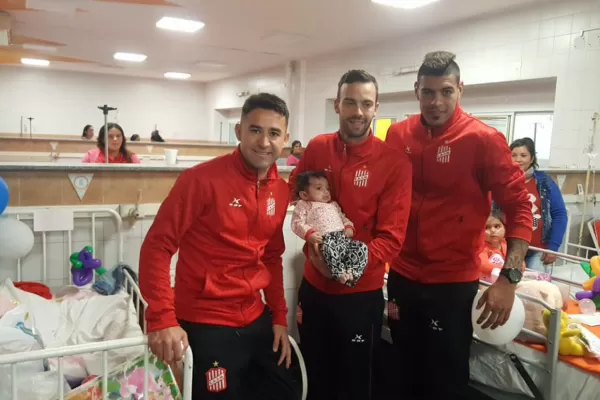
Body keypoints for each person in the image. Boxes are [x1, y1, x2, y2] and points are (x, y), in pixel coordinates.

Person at [384, 51, 532, 400]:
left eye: (446, 92)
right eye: (428, 92)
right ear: (416, 91)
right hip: (401, 280)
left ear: (460, 90)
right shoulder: (397, 135)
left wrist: (508, 279)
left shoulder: (483, 140)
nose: (436, 102)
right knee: (399, 364)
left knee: (445, 378)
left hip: (451, 286)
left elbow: (519, 209)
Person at [139, 93, 298, 400]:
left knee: (285, 389)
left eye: (274, 133)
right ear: (239, 131)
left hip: (255, 315)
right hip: (204, 320)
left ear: (286, 140)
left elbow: (272, 255)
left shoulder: (280, 190)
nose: (264, 142)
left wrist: (279, 316)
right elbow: (157, 247)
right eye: (255, 130)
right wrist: (161, 319)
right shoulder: (200, 180)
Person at [289, 69, 412, 400]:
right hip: (314, 287)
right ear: (337, 106)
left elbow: (392, 237)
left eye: (366, 104)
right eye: (350, 102)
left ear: (376, 108)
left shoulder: (394, 163)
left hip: (360, 293)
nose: (358, 111)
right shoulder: (317, 148)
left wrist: (346, 265)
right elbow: (294, 195)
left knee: (354, 381)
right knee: (313, 373)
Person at [291, 171, 368, 287]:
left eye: (327, 188)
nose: (326, 192)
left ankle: (353, 272)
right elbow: (297, 222)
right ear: (304, 195)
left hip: (343, 239)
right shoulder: (304, 204)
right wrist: (309, 234)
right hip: (325, 239)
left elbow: (343, 217)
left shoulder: (333, 205)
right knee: (328, 249)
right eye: (319, 188)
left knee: (361, 247)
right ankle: (339, 274)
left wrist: (348, 226)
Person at [510, 137, 567, 271]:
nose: (518, 159)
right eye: (513, 155)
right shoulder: (503, 181)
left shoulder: (545, 183)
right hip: (509, 247)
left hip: (538, 250)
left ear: (532, 158)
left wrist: (553, 247)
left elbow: (560, 214)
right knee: (509, 287)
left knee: (535, 289)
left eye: (523, 155)